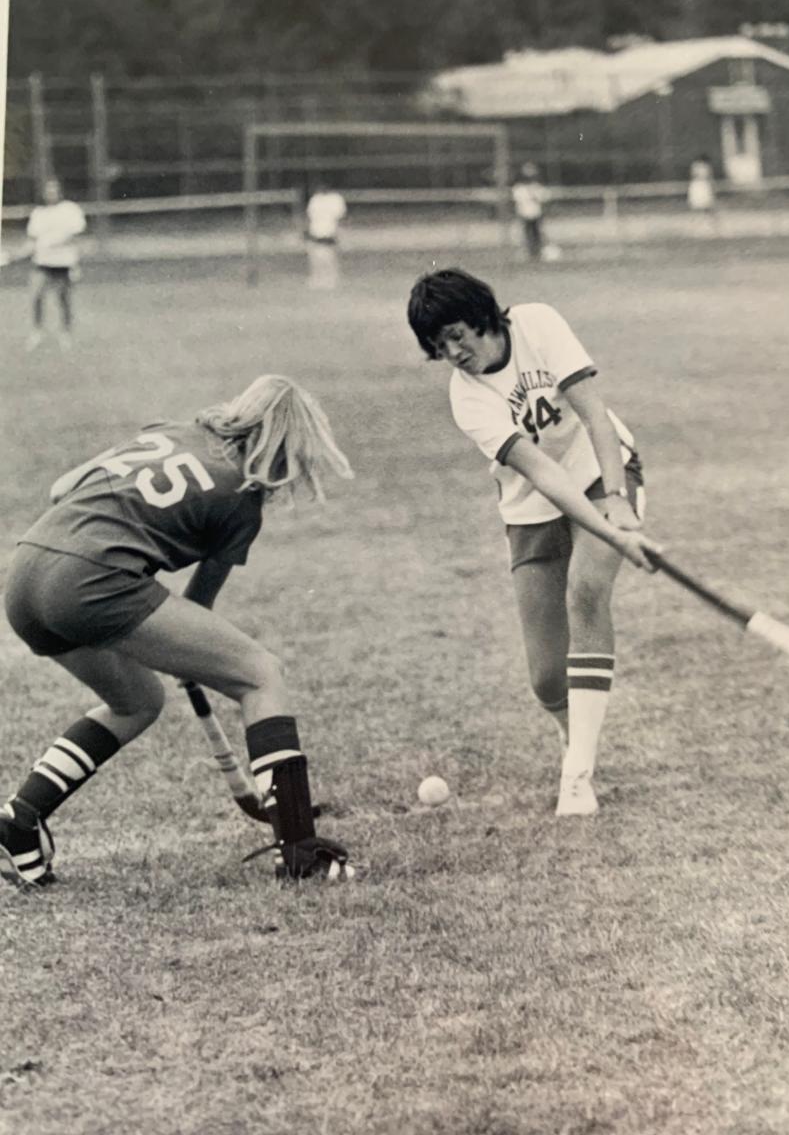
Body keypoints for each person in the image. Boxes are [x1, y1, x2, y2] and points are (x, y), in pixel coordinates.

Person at [0, 374, 356, 889]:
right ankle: (299, 849)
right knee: (261, 675)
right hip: (89, 581)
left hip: (26, 575)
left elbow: (62, 488)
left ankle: (20, 820)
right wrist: (190, 659)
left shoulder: (171, 431)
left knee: (138, 700)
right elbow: (199, 604)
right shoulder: (241, 499)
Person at [407, 268, 659, 818]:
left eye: (457, 335)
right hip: (533, 503)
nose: (452, 352)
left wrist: (615, 500)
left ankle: (578, 775)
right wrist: (610, 530)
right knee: (547, 678)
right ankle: (575, 744)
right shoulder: (467, 398)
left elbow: (594, 415)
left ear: (482, 318)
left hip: (601, 469)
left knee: (588, 592)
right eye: (438, 345)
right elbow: (543, 473)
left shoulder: (538, 323)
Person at [25, 176, 87, 350]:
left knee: (63, 299)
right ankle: (37, 332)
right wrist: (21, 252)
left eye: (54, 189)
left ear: (60, 191)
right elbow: (32, 240)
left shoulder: (70, 209)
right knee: (36, 295)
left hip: (64, 263)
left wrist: (53, 242)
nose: (51, 193)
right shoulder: (38, 213)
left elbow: (74, 233)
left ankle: (65, 332)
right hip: (42, 263)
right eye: (48, 190)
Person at [304, 180, 347, 290]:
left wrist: (340, 233)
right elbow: (310, 216)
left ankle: (331, 280)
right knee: (316, 259)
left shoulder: (335, 199)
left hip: (329, 233)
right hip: (316, 233)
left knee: (329, 258)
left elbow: (340, 217)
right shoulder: (316, 199)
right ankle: (318, 279)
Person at [511, 163, 551, 261]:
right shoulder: (519, 188)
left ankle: (538, 253)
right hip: (524, 214)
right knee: (526, 234)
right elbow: (518, 200)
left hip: (536, 214)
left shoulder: (537, 187)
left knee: (537, 234)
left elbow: (544, 198)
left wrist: (535, 194)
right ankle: (529, 253)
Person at [686, 155, 717, 234]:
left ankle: (710, 225)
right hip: (700, 186)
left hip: (700, 186)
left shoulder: (696, 166)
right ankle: (710, 225)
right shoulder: (702, 166)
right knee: (705, 208)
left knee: (704, 208)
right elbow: (708, 177)